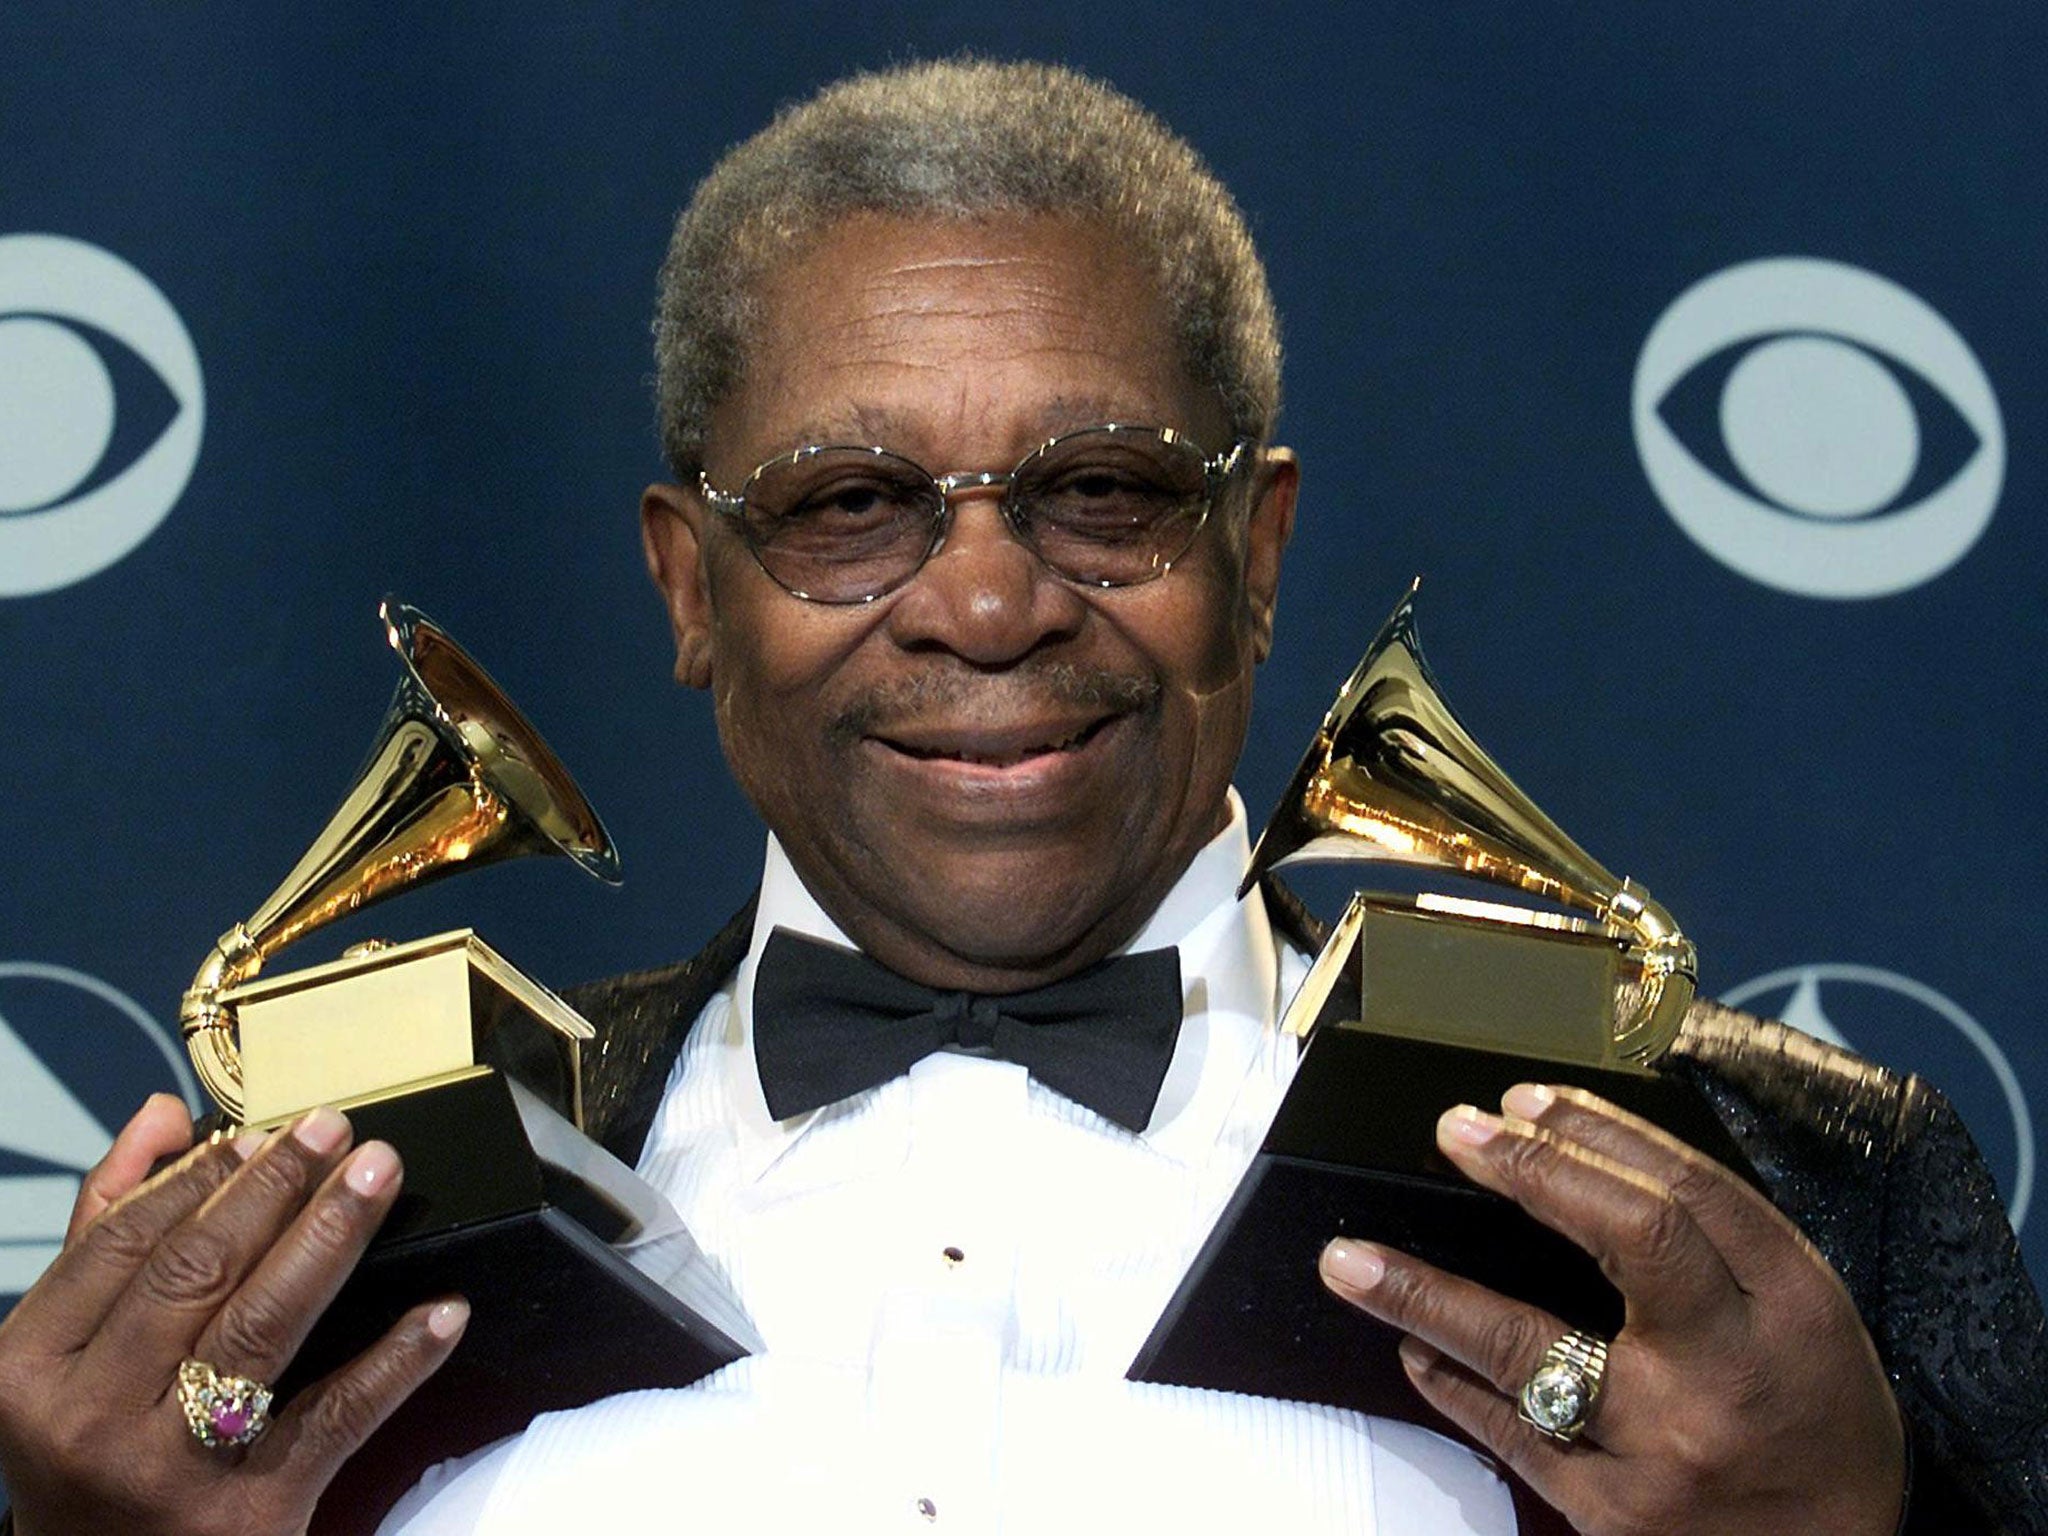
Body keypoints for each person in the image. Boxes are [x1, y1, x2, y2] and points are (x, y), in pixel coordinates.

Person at [0, 58, 2041, 1536]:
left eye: (1102, 491)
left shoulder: (1775, 1181)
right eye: (849, 507)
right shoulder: (338, 1227)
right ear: (685, 586)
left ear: (1255, 549)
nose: (984, 601)